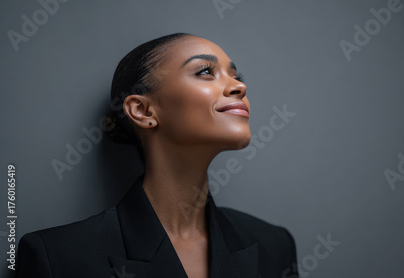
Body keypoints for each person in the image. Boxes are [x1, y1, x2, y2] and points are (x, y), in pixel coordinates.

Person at [15, 33, 298, 278]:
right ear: (143, 111)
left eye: (236, 76)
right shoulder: (57, 257)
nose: (240, 87)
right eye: (205, 72)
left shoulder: (273, 245)